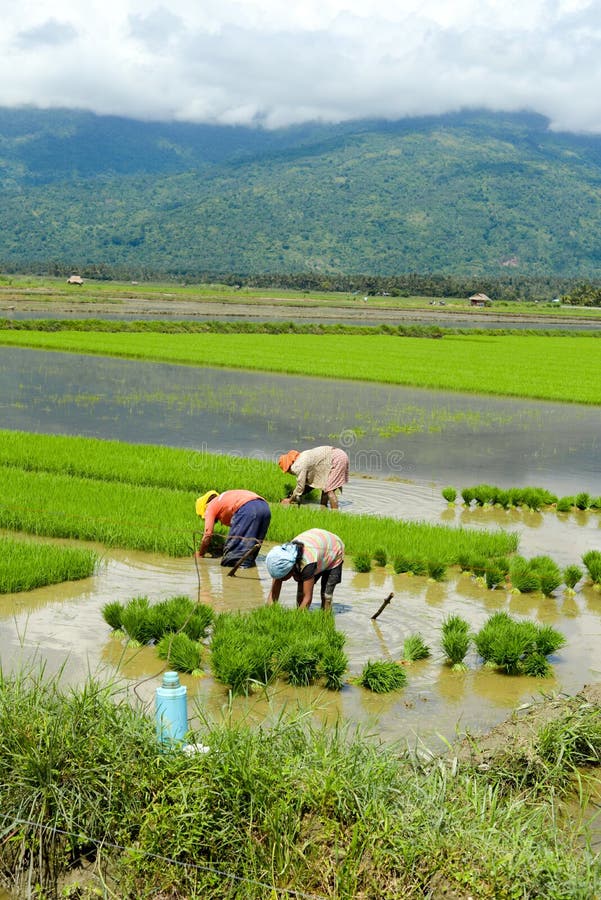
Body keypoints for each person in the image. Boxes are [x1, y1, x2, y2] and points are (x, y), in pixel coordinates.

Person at [265, 528, 344, 611]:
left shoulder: (306, 564)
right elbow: (273, 593)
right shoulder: (280, 560)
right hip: (316, 546)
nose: (280, 579)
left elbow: (307, 598)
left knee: (326, 594)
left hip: (334, 548)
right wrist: (267, 612)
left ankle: (326, 616)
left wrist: (296, 621)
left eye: (282, 577)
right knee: (301, 591)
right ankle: (301, 612)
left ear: (291, 569)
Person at [195, 489, 271, 568]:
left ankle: (237, 576)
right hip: (265, 508)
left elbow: (208, 534)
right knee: (250, 553)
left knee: (231, 560)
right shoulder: (223, 500)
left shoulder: (210, 506)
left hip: (247, 508)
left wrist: (200, 554)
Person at [278, 445, 349, 509]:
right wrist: (294, 495)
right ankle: (323, 509)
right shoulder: (302, 456)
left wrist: (289, 500)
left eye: (287, 471)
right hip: (338, 454)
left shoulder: (297, 466)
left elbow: (301, 486)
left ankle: (335, 515)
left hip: (336, 459)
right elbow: (310, 484)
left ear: (288, 467)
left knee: (329, 490)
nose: (290, 473)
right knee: (326, 489)